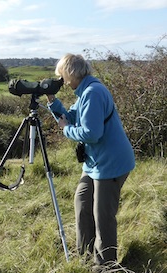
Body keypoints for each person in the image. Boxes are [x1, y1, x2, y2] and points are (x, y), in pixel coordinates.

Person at [46, 53, 135, 272]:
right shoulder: (85, 91)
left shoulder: (93, 92)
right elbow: (71, 117)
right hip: (96, 163)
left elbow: (91, 133)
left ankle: (106, 266)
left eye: (63, 75)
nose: (62, 81)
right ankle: (84, 256)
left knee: (102, 215)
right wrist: (51, 100)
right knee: (82, 202)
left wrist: (66, 130)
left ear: (71, 73)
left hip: (111, 163)